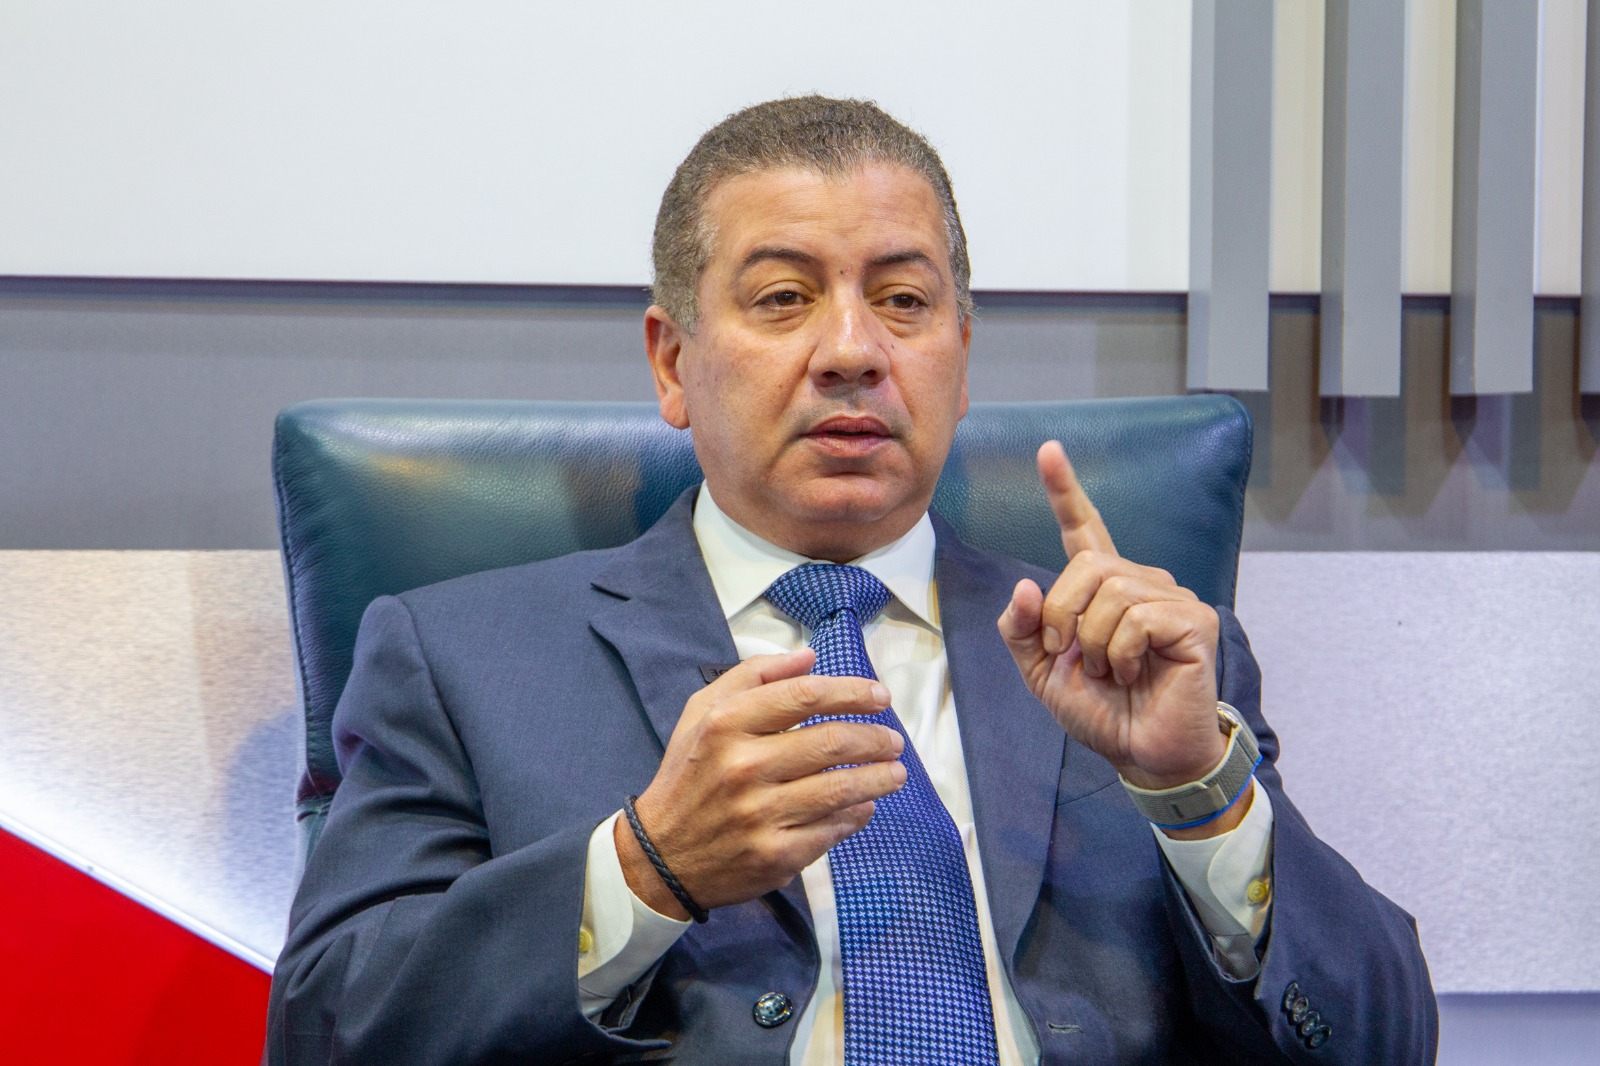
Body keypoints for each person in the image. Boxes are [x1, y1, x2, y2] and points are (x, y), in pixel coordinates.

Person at [265, 96, 1436, 1064]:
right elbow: (326, 1032)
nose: (850, 350)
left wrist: (1199, 796)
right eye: (782, 298)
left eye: (904, 301)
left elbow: (1383, 1041)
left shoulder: (1134, 657)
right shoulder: (461, 656)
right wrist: (643, 868)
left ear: (959, 360)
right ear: (672, 362)